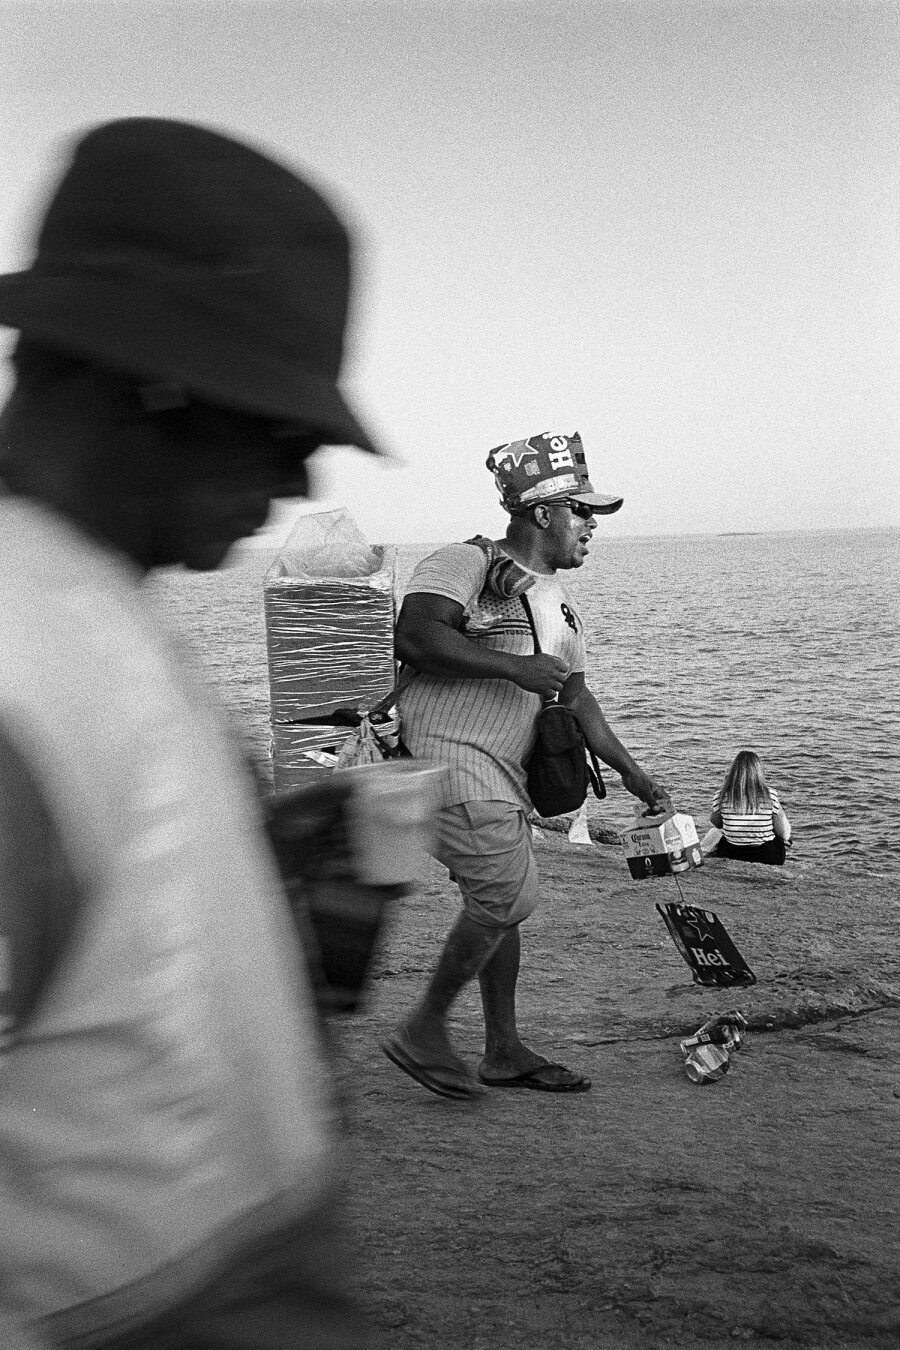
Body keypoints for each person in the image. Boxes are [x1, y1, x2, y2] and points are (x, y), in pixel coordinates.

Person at [0, 117, 380, 1350]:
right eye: (283, 430)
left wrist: (253, 867)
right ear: (150, 383)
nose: (304, 487)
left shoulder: (87, 603)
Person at [381, 432, 671, 1100]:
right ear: (544, 513)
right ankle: (423, 1029)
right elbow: (416, 634)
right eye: (583, 511)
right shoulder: (464, 561)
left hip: (500, 772)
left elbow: (574, 693)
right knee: (509, 892)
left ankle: (503, 1049)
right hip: (445, 762)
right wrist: (516, 666)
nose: (592, 525)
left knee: (499, 906)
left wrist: (632, 772)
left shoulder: (559, 606)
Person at [709, 749, 792, 866]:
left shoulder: (720, 796)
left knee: (717, 834)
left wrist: (725, 787)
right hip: (767, 856)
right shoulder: (770, 794)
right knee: (779, 831)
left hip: (732, 853)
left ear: (734, 772)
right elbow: (784, 834)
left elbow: (716, 823)